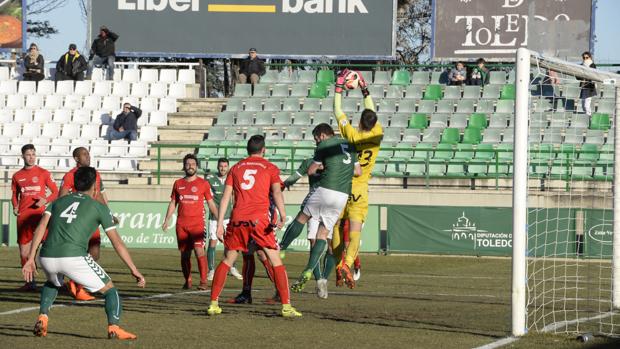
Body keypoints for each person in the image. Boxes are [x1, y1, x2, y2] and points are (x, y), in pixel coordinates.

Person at [22, 166, 145, 340]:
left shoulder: (57, 202)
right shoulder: (99, 207)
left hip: (46, 255)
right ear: (95, 185)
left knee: (53, 282)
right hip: (73, 256)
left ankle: (43, 316)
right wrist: (134, 269)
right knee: (110, 290)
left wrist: (31, 258)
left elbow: (41, 228)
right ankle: (114, 328)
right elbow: (117, 242)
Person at [207, 135, 301, 317]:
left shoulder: (236, 168)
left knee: (227, 260)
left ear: (247, 150)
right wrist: (283, 214)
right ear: (263, 149)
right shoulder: (270, 168)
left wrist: (220, 224)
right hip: (259, 220)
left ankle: (213, 304)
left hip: (237, 219)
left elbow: (226, 197)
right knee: (275, 260)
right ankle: (286, 306)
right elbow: (276, 192)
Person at [282, 123, 355, 293]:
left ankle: (282, 248)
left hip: (320, 194)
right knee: (323, 239)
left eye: (316, 139)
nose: (316, 143)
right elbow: (357, 171)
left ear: (322, 136)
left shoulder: (319, 151)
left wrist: (322, 168)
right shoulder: (350, 147)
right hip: (341, 197)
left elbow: (308, 171)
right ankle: (316, 277)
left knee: (303, 221)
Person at [332, 69, 382, 288]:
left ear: (360, 122)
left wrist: (339, 88)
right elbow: (371, 110)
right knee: (354, 233)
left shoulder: (351, 134)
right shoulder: (377, 133)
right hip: (360, 191)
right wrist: (364, 88)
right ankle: (348, 264)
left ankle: (337, 266)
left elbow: (337, 110)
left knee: (334, 227)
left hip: (343, 188)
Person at [60, 147, 112, 300]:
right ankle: (78, 287)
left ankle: (75, 283)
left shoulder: (95, 174)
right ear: (76, 158)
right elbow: (62, 197)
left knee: (94, 254)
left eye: (88, 154)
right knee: (75, 253)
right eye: (84, 154)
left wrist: (108, 213)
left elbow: (99, 195)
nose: (88, 156)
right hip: (77, 221)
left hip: (92, 219)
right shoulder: (70, 175)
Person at [162, 154, 218, 290]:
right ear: (184, 166)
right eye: (187, 164)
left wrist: (219, 220)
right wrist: (167, 219)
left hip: (198, 225)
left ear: (196, 166)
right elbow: (173, 202)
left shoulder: (203, 184)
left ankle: (203, 282)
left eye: (193, 164)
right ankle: (188, 280)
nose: (190, 166)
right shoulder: (178, 183)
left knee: (200, 252)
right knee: (185, 255)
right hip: (181, 225)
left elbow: (211, 203)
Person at [11, 144, 59, 291]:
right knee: (24, 252)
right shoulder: (17, 176)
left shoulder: (43, 173)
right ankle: (30, 283)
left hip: (41, 217)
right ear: (22, 156)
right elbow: (14, 194)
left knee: (50, 250)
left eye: (33, 154)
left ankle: (58, 281)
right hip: (24, 218)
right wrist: (15, 206)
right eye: (28, 154)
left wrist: (45, 200)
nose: (31, 157)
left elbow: (56, 192)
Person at [204, 158, 243, 281]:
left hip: (229, 217)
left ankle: (232, 267)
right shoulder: (210, 179)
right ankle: (211, 270)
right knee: (213, 242)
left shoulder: (232, 178)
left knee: (230, 243)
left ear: (228, 167)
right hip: (214, 218)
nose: (223, 168)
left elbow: (233, 196)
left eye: (225, 166)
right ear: (217, 166)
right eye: (221, 166)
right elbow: (207, 196)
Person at [579, 51, 597, 116]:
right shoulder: (581, 65)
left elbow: (593, 75)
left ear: (590, 57)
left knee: (587, 104)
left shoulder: (592, 65)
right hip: (584, 87)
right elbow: (577, 77)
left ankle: (589, 117)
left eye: (587, 57)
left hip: (590, 87)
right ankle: (586, 117)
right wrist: (582, 78)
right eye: (584, 58)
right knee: (583, 104)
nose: (585, 59)